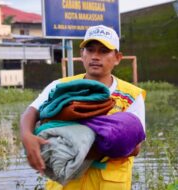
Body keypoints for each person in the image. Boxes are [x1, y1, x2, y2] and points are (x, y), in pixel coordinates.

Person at [20, 25, 146, 190]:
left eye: (103, 51)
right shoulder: (61, 86)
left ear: (117, 58)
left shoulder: (131, 96)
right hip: (66, 183)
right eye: (90, 50)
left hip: (109, 184)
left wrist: (81, 149)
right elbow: (32, 111)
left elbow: (135, 147)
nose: (95, 56)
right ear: (82, 54)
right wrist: (26, 136)